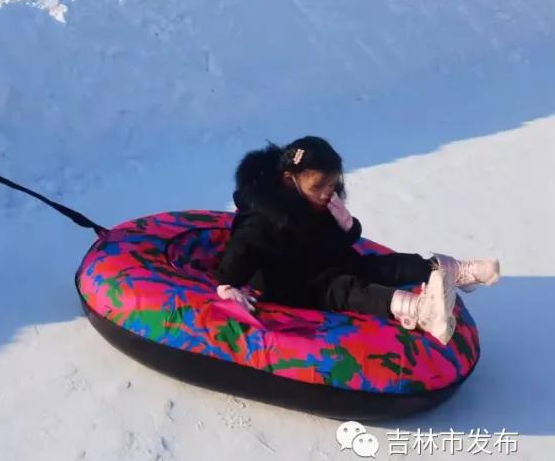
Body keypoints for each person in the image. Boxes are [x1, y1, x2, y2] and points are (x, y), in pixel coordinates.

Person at [213, 137, 499, 344]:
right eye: (319, 186)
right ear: (290, 180)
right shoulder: (265, 219)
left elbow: (337, 241)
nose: (327, 192)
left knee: (382, 266)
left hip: (325, 262)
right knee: (347, 289)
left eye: (332, 184)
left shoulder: (314, 201)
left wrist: (347, 226)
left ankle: (454, 271)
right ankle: (418, 310)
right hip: (295, 285)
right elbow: (242, 249)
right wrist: (228, 285)